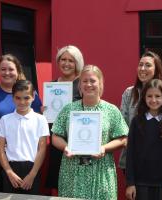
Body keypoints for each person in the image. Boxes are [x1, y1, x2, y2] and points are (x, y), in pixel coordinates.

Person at [51, 65, 128, 200]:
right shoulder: (69, 109)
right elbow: (55, 136)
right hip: (72, 172)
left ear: (100, 83)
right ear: (79, 85)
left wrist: (104, 148)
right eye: (84, 81)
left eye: (92, 81)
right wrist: (65, 147)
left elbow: (123, 139)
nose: (88, 84)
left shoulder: (111, 110)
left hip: (101, 172)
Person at [0, 54, 42, 192]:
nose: (7, 73)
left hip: (29, 158)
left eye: (11, 69)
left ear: (18, 70)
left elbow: (37, 119)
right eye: (3, 69)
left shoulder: (31, 92)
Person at [119, 51, 162, 171]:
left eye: (148, 65)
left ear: (157, 69)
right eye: (140, 64)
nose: (142, 68)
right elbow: (122, 126)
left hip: (159, 159)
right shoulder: (129, 93)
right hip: (133, 158)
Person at [125, 79, 162, 200]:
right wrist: (130, 183)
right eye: (149, 96)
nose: (153, 100)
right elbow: (130, 154)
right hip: (140, 184)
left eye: (158, 96)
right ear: (144, 97)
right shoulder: (137, 121)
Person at [0, 80, 49, 194]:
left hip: (33, 168)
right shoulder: (5, 120)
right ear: (12, 98)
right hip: (10, 169)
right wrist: (9, 172)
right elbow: (0, 149)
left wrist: (32, 174)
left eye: (26, 98)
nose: (22, 102)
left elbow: (42, 149)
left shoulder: (40, 119)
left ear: (33, 96)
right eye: (18, 98)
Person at [46, 45, 84, 192]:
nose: (66, 63)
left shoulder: (83, 84)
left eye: (71, 60)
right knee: (58, 184)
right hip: (57, 141)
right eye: (63, 59)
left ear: (77, 63)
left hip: (79, 140)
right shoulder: (52, 85)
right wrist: (45, 112)